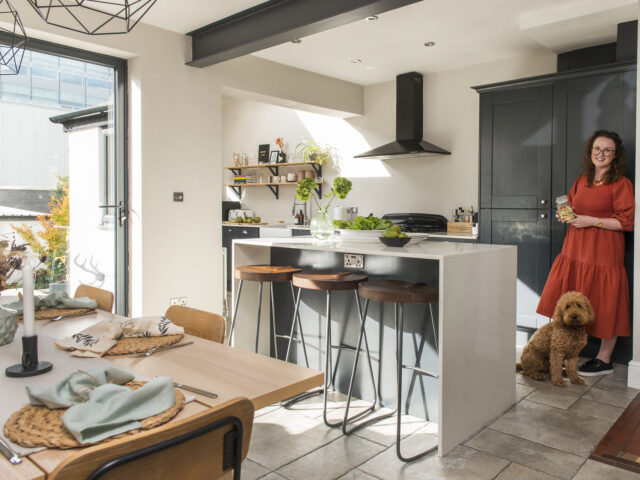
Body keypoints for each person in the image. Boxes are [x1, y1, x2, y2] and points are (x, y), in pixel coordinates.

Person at [536, 130, 634, 376]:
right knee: (567, 297)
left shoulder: (621, 183)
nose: (601, 154)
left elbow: (627, 222)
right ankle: (559, 352)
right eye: (596, 149)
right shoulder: (582, 179)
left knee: (605, 301)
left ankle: (604, 359)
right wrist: (565, 214)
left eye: (607, 150)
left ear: (615, 155)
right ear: (590, 152)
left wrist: (592, 220)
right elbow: (570, 206)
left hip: (603, 251)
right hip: (575, 248)